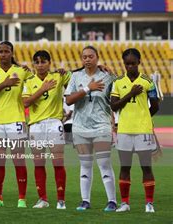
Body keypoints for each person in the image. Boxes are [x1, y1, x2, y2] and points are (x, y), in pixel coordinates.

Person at [65, 46, 117, 212]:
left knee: (104, 164)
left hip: (101, 126)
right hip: (80, 127)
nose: (87, 59)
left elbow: (117, 95)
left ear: (97, 57)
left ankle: (112, 201)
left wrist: (112, 71)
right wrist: (88, 88)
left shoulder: (107, 77)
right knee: (85, 165)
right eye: (84, 57)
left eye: (90, 56)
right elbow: (69, 100)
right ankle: (85, 201)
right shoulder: (76, 76)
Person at [111, 48, 160, 213]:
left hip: (143, 131)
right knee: (125, 167)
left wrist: (144, 118)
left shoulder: (148, 82)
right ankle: (124, 203)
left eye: (133, 63)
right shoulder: (118, 82)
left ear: (139, 62)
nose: (130, 66)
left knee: (146, 167)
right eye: (127, 64)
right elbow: (114, 106)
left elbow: (155, 106)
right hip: (124, 131)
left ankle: (149, 203)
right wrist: (130, 94)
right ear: (123, 64)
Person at [0, 41, 30, 208]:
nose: (3, 54)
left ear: (12, 53)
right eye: (0, 52)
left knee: (19, 160)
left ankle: (22, 198)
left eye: (6, 51)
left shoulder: (23, 71)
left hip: (16, 121)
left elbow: (38, 79)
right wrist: (4, 84)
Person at [22, 50, 70, 209]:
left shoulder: (59, 76)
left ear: (49, 63)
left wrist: (102, 67)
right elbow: (26, 103)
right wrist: (43, 89)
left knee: (57, 162)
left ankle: (61, 200)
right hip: (36, 125)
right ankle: (43, 199)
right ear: (33, 64)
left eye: (43, 62)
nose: (40, 65)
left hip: (54, 123)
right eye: (37, 62)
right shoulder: (29, 81)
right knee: (39, 163)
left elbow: (78, 78)